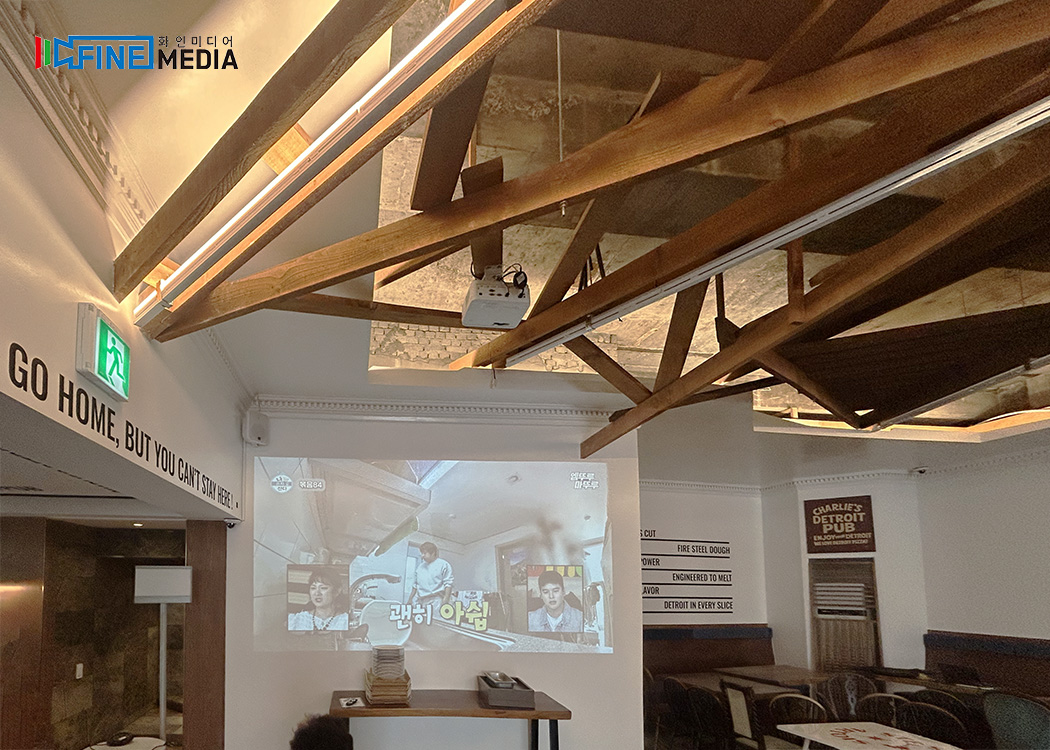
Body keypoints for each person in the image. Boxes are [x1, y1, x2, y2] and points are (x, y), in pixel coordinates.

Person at [408, 542, 454, 616]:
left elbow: (448, 584)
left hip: (436, 600)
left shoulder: (443, 564)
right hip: (421, 600)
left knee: (435, 621)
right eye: (422, 553)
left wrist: (445, 600)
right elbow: (415, 585)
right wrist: (410, 599)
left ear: (433, 553)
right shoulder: (420, 567)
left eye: (425, 553)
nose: (422, 556)